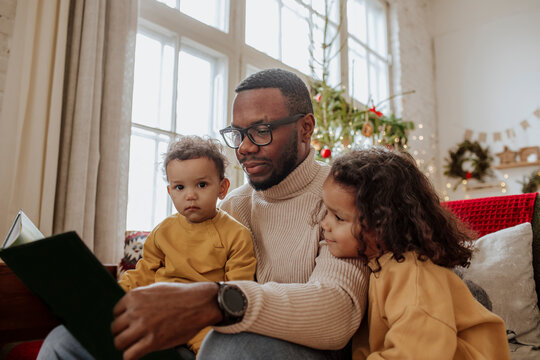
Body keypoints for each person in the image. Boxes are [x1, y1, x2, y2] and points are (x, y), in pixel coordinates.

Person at [38, 68, 369, 360]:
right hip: (207, 343)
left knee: (229, 348)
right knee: (67, 341)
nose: (244, 148)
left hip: (300, 351)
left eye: (261, 131)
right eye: (238, 134)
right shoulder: (234, 206)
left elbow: (338, 313)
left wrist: (217, 301)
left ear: (306, 128)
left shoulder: (340, 197)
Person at [38, 136, 257, 359]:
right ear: (170, 192)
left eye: (201, 185)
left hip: (203, 325)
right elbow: (142, 275)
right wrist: (112, 299)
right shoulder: (163, 231)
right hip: (156, 319)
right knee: (62, 338)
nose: (190, 195)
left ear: (222, 188)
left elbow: (240, 291)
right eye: (180, 187)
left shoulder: (237, 235)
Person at [319, 147, 510, 359]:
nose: (324, 223)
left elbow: (418, 354)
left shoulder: (413, 275)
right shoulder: (380, 265)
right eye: (327, 212)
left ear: (382, 224)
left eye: (339, 217)